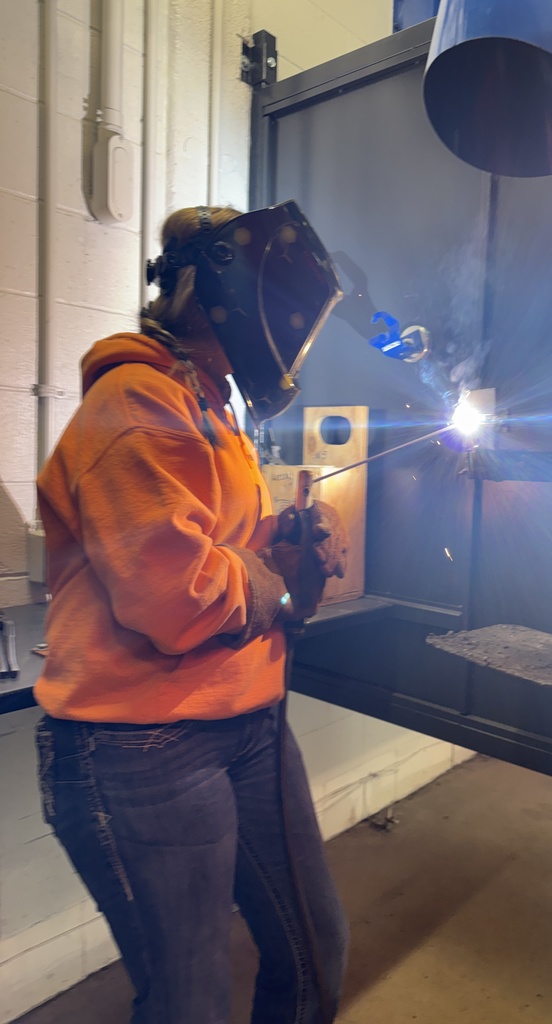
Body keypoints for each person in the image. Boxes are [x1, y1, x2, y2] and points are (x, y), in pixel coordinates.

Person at [34, 204, 351, 1024]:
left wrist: (290, 544)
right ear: (220, 295)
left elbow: (221, 549)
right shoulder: (136, 403)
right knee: (192, 1003)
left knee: (318, 945)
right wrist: (275, 581)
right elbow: (175, 598)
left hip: (246, 722)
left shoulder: (208, 402)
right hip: (144, 749)